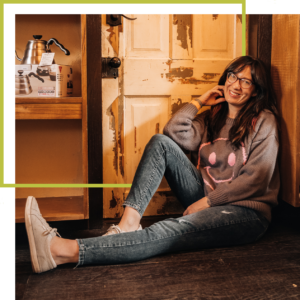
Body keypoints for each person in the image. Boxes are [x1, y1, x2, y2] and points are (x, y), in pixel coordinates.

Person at [25, 55, 280, 274]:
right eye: (233, 76)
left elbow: (256, 178)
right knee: (159, 142)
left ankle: (61, 251)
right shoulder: (213, 117)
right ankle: (128, 224)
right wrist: (199, 102)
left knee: (170, 229)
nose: (236, 85)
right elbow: (173, 132)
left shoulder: (264, 121)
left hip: (244, 213)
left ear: (255, 90)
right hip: (204, 196)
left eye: (246, 81)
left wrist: (208, 202)